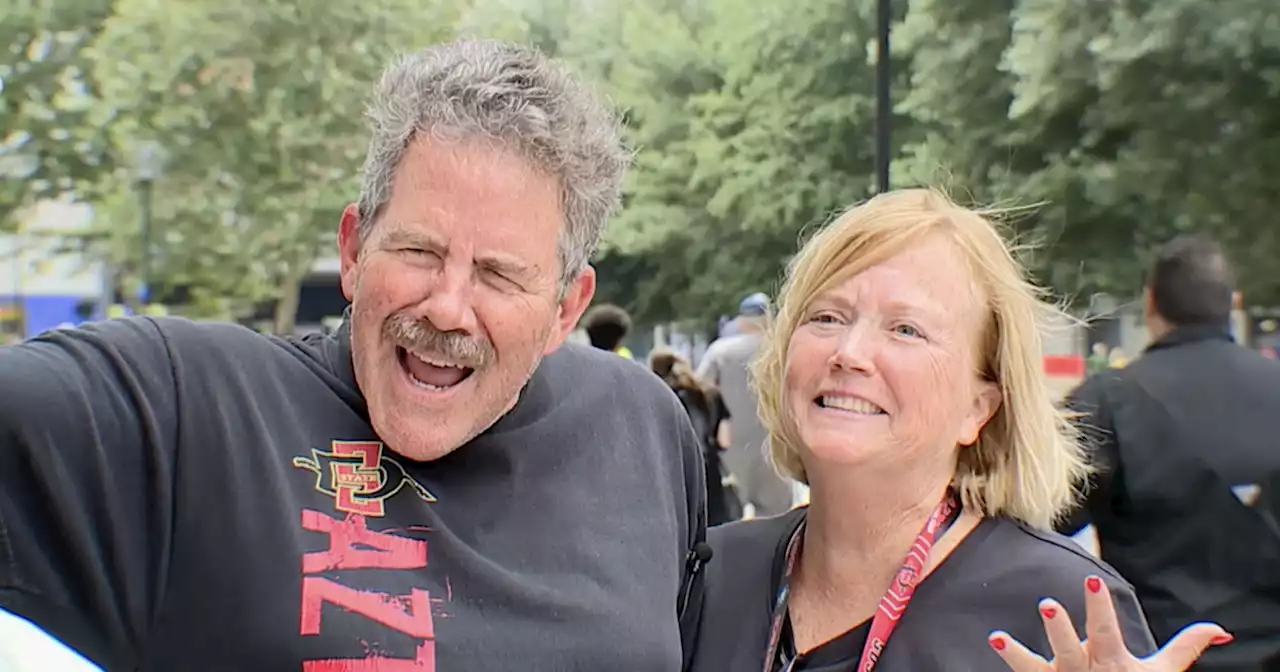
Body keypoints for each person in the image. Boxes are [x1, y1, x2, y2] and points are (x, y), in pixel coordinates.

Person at [0, 41, 707, 671]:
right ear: (353, 250)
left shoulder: (638, 426)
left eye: (498, 274)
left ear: (565, 309)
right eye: (419, 251)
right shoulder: (182, 410)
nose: (447, 307)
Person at [687, 189, 1230, 671]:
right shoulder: (705, 577)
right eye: (827, 317)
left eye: (905, 329)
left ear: (980, 407)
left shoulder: (1058, 613)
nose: (849, 354)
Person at [1059, 235, 1280, 670]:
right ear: (1232, 304)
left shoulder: (1109, 400)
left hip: (1156, 656)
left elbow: (1039, 516)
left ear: (1151, 304)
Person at [699, 292, 794, 518]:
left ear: (742, 320)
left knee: (730, 513)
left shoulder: (721, 351)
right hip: (774, 444)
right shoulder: (783, 349)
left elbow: (700, 387)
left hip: (731, 445)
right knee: (775, 518)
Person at [651, 347, 742, 526]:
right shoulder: (709, 393)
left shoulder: (657, 397)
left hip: (671, 479)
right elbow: (725, 440)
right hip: (709, 476)